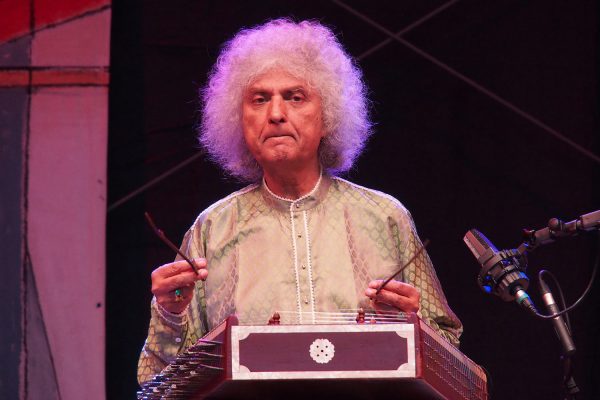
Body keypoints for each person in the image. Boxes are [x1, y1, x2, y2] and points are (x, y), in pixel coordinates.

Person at [138, 18, 462, 384]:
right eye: (259, 99)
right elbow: (159, 382)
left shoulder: (386, 217)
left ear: (328, 117)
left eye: (295, 97)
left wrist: (414, 327)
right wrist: (169, 314)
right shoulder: (211, 229)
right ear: (238, 120)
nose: (276, 114)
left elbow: (450, 354)